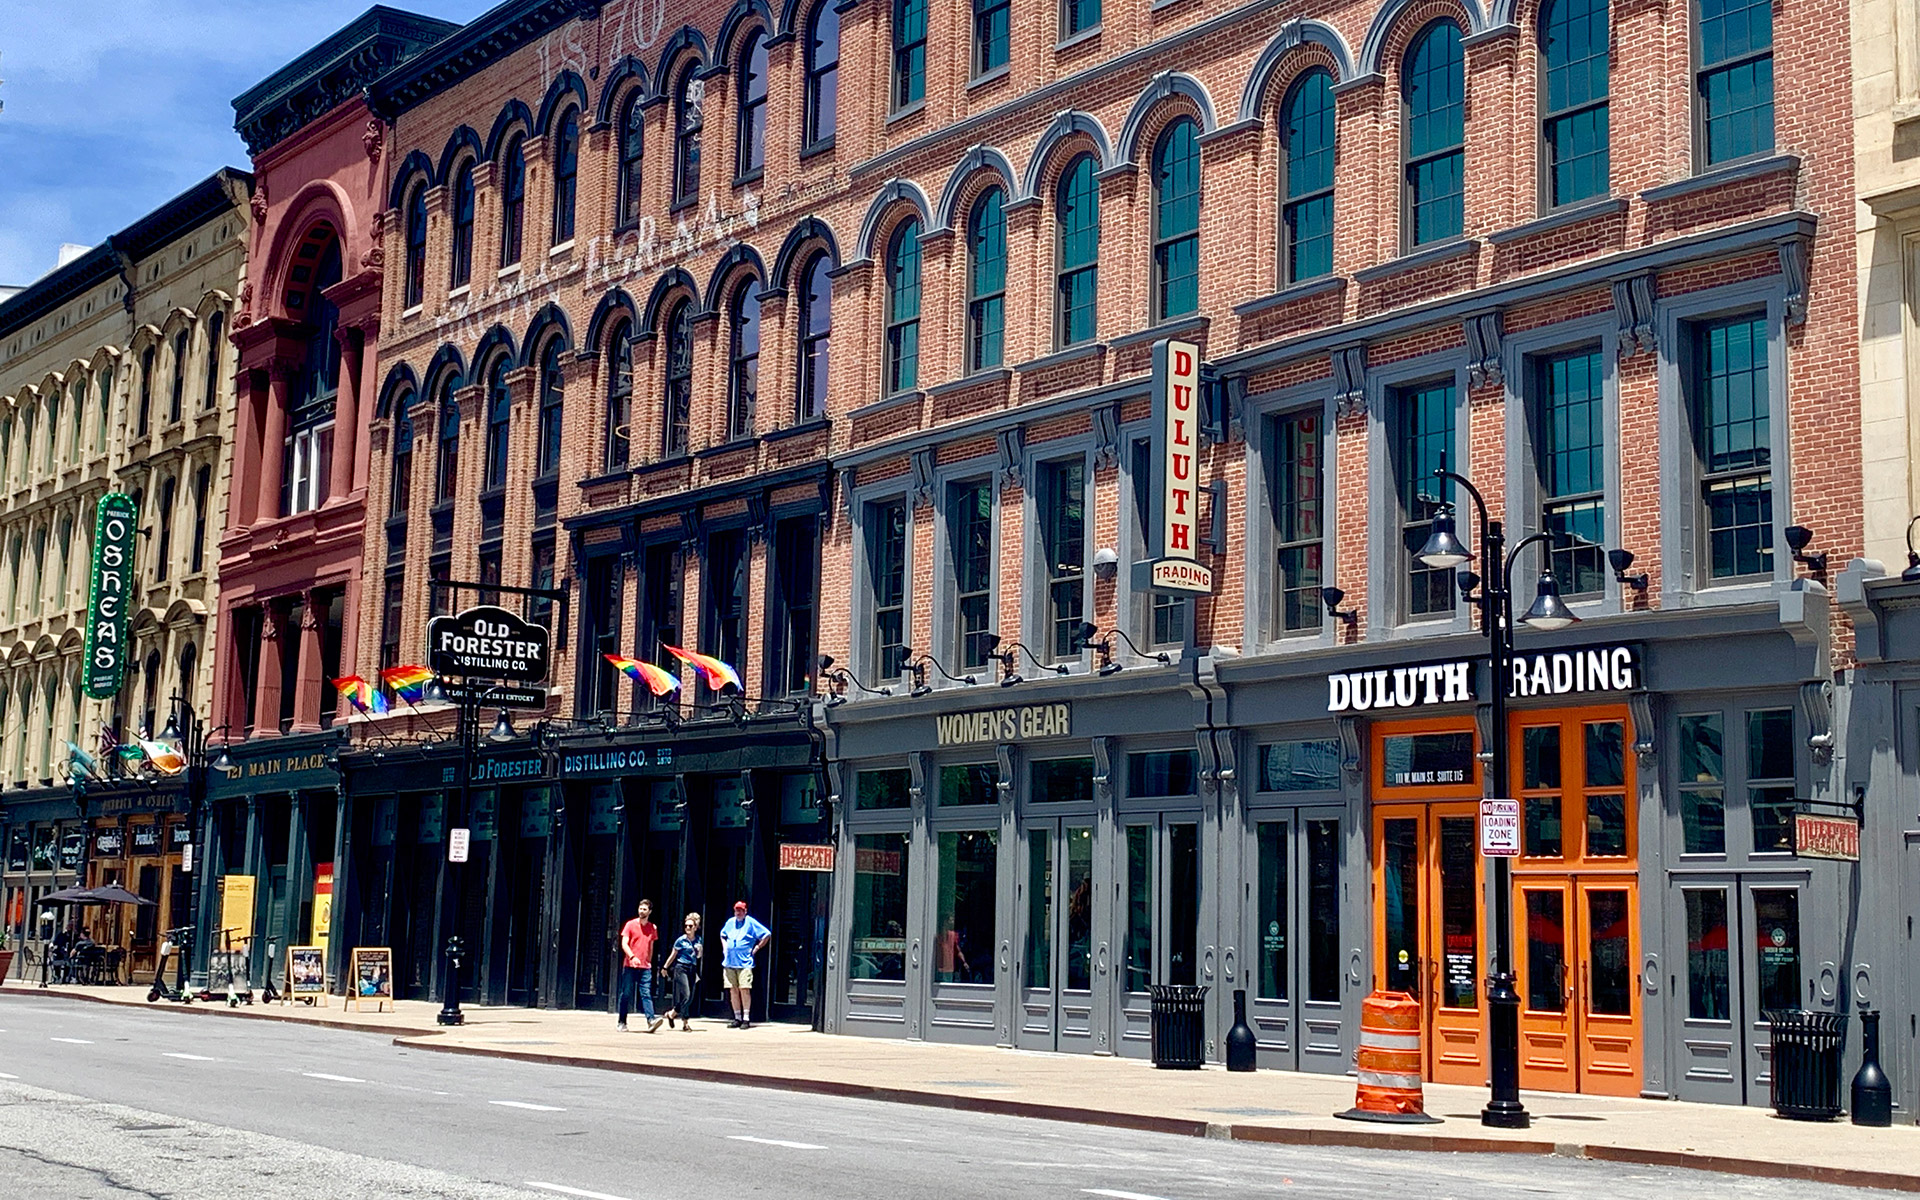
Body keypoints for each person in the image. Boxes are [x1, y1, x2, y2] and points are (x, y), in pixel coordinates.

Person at [719, 900, 770, 1028]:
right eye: (737, 910)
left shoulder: (750, 922)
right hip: (729, 962)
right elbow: (722, 935)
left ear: (745, 911)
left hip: (744, 963)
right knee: (733, 990)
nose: (738, 913)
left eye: (741, 910)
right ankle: (737, 1017)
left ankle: (746, 1018)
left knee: (744, 989)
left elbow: (766, 934)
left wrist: (757, 948)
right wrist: (725, 948)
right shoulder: (730, 922)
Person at [617, 899, 664, 1033]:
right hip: (630, 966)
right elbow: (624, 943)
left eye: (644, 909)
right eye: (640, 908)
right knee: (626, 994)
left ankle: (651, 1020)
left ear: (650, 912)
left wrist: (649, 960)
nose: (641, 911)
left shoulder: (652, 928)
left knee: (646, 993)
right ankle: (622, 1021)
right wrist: (632, 956)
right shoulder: (630, 925)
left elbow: (651, 946)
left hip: (645, 967)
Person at [661, 912, 702, 1031]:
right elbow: (673, 955)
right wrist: (665, 967)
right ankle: (685, 1023)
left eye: (690, 926)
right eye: (686, 926)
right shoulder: (681, 940)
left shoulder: (698, 939)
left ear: (695, 927)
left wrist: (699, 950)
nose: (688, 928)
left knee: (690, 997)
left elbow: (698, 956)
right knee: (686, 994)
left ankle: (672, 1013)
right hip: (681, 967)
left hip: (692, 968)